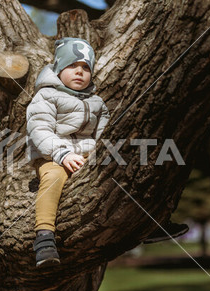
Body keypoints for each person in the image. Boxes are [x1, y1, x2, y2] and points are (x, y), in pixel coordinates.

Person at [26, 37, 188, 268]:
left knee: (126, 170)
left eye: (85, 68)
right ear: (59, 69)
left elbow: (105, 137)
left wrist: (108, 155)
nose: (79, 72)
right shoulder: (45, 96)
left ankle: (149, 221)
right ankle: (44, 237)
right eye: (72, 66)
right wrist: (62, 155)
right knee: (53, 178)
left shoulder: (98, 103)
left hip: (87, 154)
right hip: (53, 156)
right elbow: (39, 131)